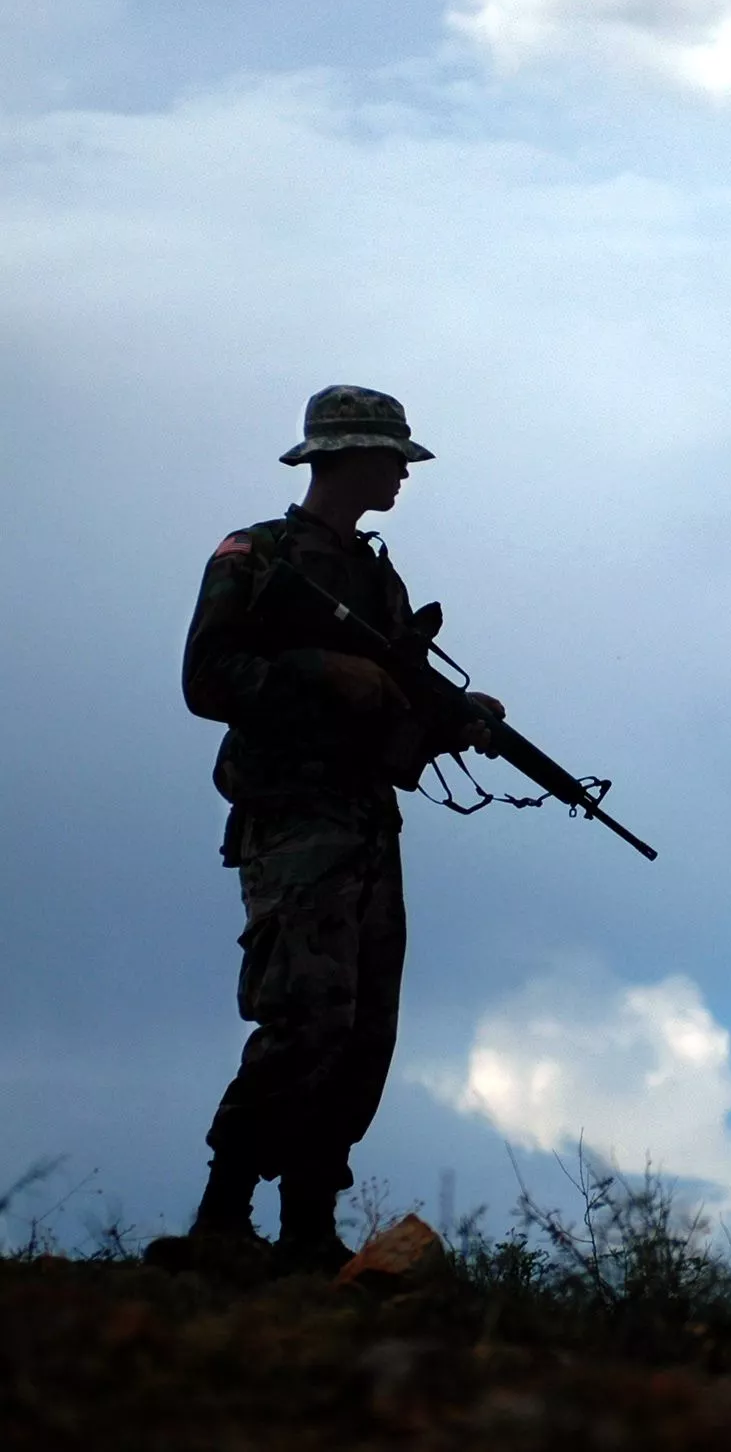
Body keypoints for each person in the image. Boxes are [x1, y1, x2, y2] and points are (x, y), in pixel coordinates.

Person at [151, 385, 501, 1275]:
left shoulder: (377, 579)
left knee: (362, 1029)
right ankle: (222, 1216)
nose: (400, 476)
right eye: (390, 459)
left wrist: (452, 717)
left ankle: (310, 1225)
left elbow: (396, 698)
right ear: (342, 459)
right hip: (293, 818)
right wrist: (318, 671)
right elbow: (208, 680)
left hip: (366, 820)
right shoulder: (257, 556)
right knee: (305, 1013)